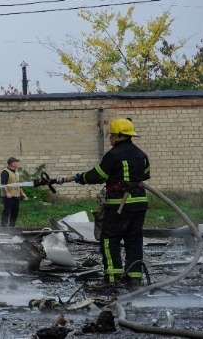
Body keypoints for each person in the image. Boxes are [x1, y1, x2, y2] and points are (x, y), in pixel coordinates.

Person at [68, 118, 151, 287]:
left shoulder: (113, 155)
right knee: (134, 240)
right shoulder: (141, 155)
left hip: (119, 204)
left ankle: (113, 279)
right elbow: (145, 175)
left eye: (111, 135)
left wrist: (80, 178)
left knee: (109, 240)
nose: (109, 138)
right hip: (140, 203)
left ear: (119, 136)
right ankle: (134, 278)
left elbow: (97, 176)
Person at [0, 157, 27, 227]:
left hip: (16, 195)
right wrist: (7, 193)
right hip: (8, 196)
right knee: (6, 211)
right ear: (12, 163)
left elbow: (18, 184)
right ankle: (3, 226)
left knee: (15, 211)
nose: (17, 163)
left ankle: (12, 226)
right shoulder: (5, 172)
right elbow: (3, 184)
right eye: (16, 162)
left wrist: (22, 193)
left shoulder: (16, 172)